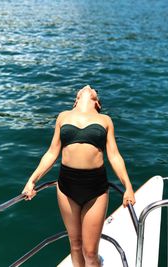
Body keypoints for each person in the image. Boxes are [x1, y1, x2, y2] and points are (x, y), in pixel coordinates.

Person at [22, 85, 136, 267]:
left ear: (97, 102)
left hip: (96, 189)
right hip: (67, 187)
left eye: (93, 89)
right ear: (75, 100)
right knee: (75, 245)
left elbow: (114, 156)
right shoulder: (63, 116)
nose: (88, 87)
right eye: (85, 88)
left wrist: (128, 187)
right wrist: (32, 180)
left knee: (90, 253)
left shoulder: (105, 120)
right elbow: (52, 153)